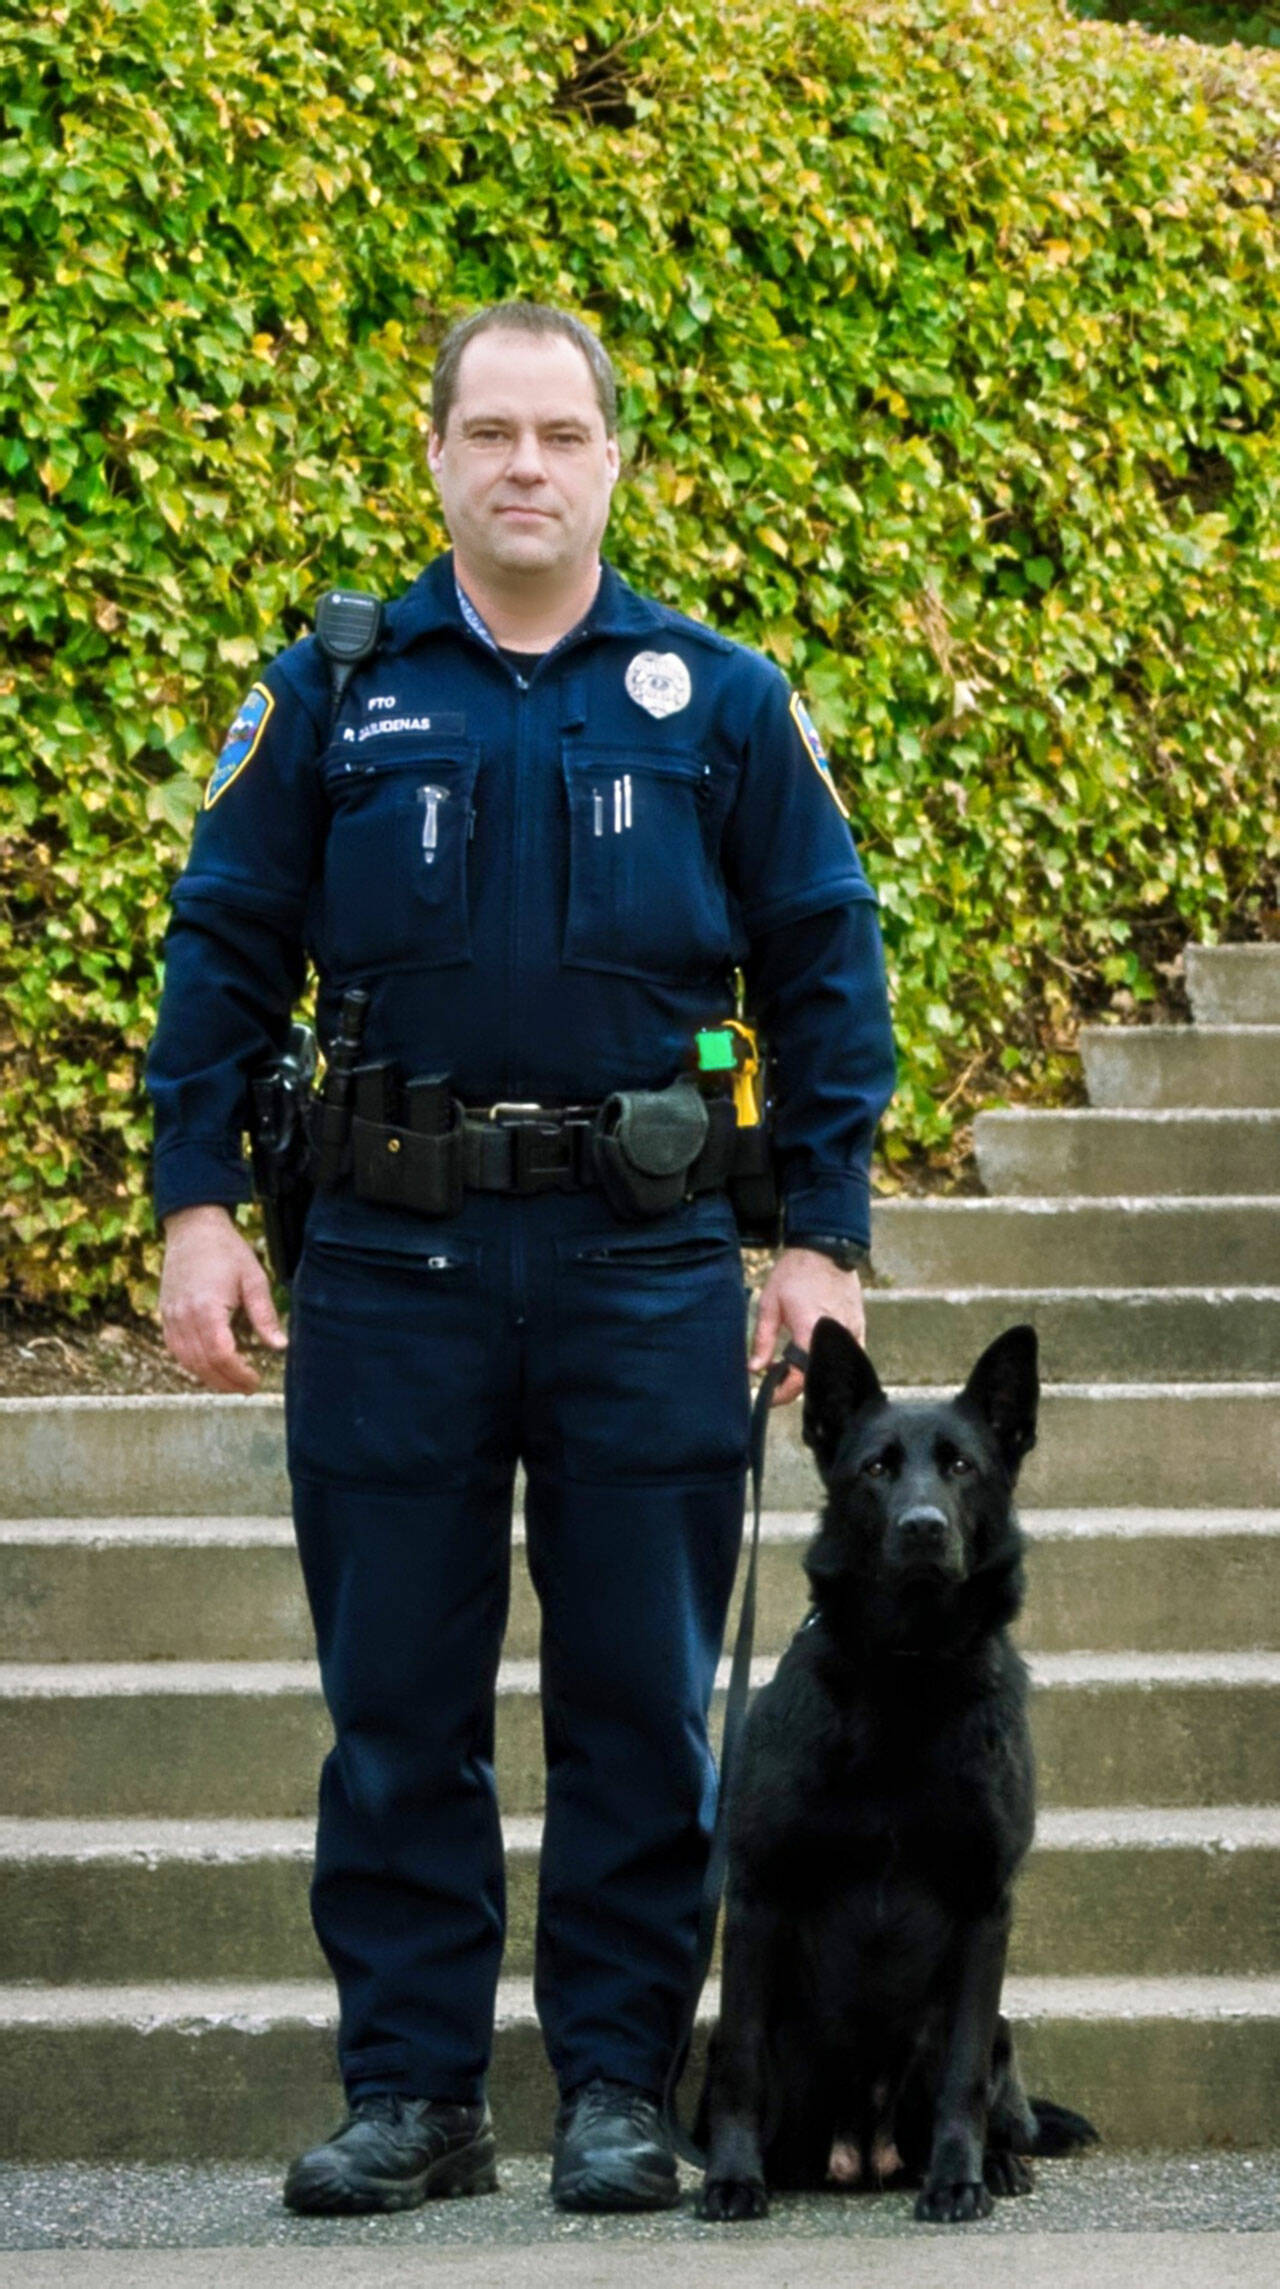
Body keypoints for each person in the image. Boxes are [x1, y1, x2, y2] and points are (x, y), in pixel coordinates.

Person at [146, 301, 896, 2215]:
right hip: (391, 1264)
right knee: (396, 1696)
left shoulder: (718, 698)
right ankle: (414, 2093)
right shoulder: (334, 688)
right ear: (437, 460)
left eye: (561, 433)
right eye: (490, 432)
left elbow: (825, 967)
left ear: (614, 460)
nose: (526, 467)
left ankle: (621, 2094)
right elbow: (223, 946)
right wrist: (198, 1203)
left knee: (641, 1697)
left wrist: (820, 1240)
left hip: (642, 1266)